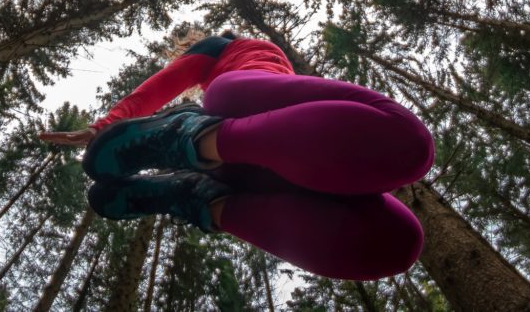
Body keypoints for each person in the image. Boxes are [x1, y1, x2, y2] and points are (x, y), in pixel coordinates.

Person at [38, 31, 435, 281]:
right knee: (408, 143)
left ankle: (201, 198)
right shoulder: (223, 46)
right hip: (237, 101)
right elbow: (165, 83)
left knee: (398, 242)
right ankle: (189, 137)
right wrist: (105, 124)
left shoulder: (285, 91)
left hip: (266, 156)